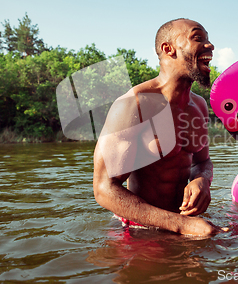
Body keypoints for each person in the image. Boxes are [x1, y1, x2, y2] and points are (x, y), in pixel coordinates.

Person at [93, 18, 222, 236]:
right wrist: (181, 226)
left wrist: (202, 181)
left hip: (185, 222)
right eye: (198, 38)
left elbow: (203, 161)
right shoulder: (134, 103)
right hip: (138, 229)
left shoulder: (199, 106)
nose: (210, 46)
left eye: (209, 40)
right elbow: (104, 189)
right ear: (168, 49)